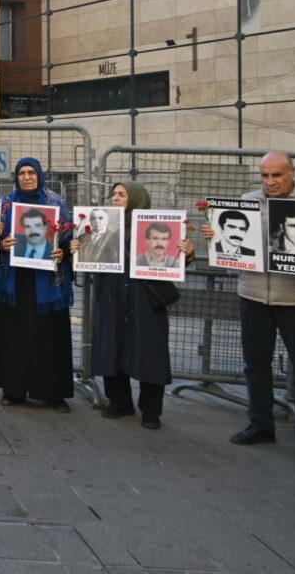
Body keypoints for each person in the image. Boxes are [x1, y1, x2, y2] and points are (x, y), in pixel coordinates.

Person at [203, 151, 295, 464]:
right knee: (255, 364)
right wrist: (216, 238)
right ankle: (261, 425)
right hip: (253, 296)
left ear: (292, 173)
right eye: (265, 175)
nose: (270, 181)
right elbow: (234, 250)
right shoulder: (246, 202)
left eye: (277, 175)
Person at [79, 183, 194, 430]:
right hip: (111, 296)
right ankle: (119, 402)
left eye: (122, 194)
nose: (115, 198)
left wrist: (187, 252)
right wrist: (78, 251)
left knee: (150, 352)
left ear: (136, 198)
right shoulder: (107, 226)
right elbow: (89, 260)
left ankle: (151, 410)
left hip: (145, 298)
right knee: (112, 348)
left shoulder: (155, 227)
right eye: (114, 194)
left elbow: (172, 262)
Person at [0, 157, 75, 412]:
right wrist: (0, 244)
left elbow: (68, 236)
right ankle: (13, 390)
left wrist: (63, 251)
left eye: (31, 172)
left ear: (40, 175)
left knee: (49, 337)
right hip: (13, 281)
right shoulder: (5, 203)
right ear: (16, 176)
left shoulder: (56, 202)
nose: (26, 177)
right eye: (22, 173)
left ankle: (53, 393)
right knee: (14, 335)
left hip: (48, 283)